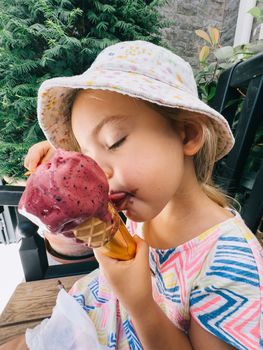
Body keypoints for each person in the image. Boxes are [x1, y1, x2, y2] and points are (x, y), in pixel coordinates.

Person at [2, 40, 263, 350]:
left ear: (188, 134)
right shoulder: (150, 201)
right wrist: (60, 173)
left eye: (114, 142)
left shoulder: (231, 265)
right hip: (95, 316)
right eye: (87, 154)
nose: (99, 172)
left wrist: (139, 303)